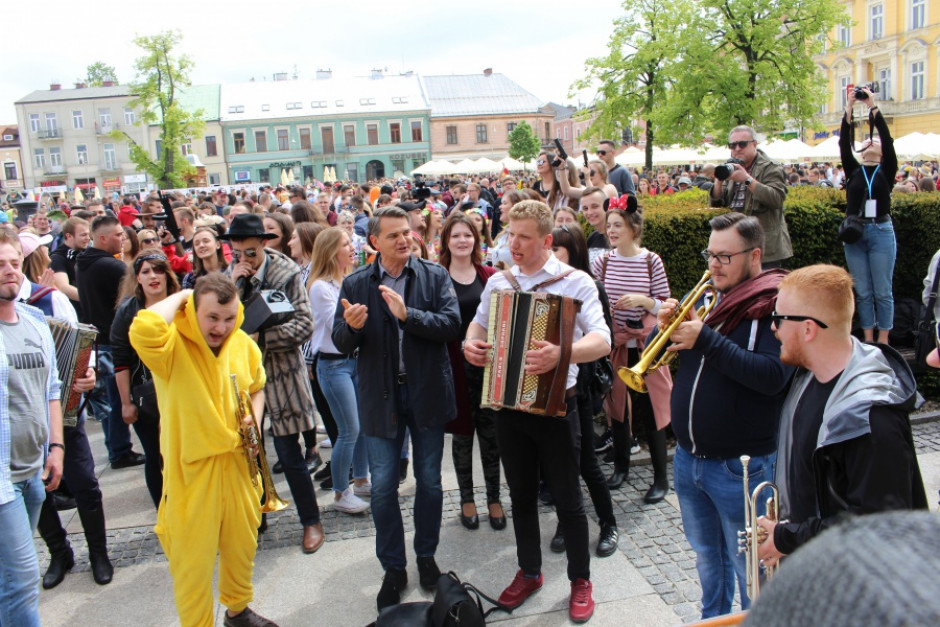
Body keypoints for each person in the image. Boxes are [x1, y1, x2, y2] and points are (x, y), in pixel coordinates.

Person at [463, 200, 611, 624]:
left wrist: (562, 355)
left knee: (568, 498)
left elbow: (601, 340)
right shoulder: (500, 282)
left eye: (524, 237)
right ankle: (529, 572)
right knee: (522, 496)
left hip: (556, 409)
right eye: (511, 234)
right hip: (508, 407)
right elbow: (478, 323)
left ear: (546, 240)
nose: (514, 243)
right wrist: (469, 343)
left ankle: (581, 581)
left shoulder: (575, 282)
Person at [661, 212, 793, 618]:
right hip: (689, 459)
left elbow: (773, 376)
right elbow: (682, 355)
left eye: (724, 257)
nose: (712, 265)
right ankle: (713, 622)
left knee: (752, 570)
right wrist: (664, 330)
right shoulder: (712, 297)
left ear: (755, 256)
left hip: (742, 466)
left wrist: (705, 339)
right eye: (710, 254)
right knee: (707, 561)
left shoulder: (774, 303)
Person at [129, 275, 278, 627]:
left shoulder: (243, 344)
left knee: (243, 547)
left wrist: (253, 422)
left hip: (239, 468)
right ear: (192, 309)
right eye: (212, 317)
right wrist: (183, 293)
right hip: (192, 475)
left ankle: (237, 612)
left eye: (229, 318)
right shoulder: (170, 347)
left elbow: (258, 386)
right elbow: (144, 326)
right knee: (191, 565)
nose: (221, 327)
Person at [331, 207, 460, 611]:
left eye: (408, 232)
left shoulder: (434, 275)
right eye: (394, 235)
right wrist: (350, 327)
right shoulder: (355, 283)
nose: (405, 240)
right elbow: (339, 343)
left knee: (430, 482)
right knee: (383, 487)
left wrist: (410, 316)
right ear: (374, 242)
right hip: (379, 397)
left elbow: (452, 325)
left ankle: (425, 556)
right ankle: (393, 568)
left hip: (425, 394)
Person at [756, 264, 927, 565]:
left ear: (808, 329)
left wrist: (789, 538)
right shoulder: (806, 376)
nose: (773, 327)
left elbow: (879, 528)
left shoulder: (873, 419)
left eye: (778, 318)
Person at [223, 213, 323, 553]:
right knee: (249, 451)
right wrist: (233, 285)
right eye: (237, 252)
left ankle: (311, 521)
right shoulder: (229, 277)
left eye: (250, 252)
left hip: (280, 375)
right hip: (243, 379)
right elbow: (220, 327)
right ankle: (258, 514)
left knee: (288, 453)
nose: (244, 259)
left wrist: (259, 336)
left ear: (265, 244)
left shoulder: (287, 273)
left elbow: (304, 326)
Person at [0, 228, 71, 626]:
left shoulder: (34, 319)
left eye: (13, 263)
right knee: (23, 578)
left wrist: (56, 447)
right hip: (2, 479)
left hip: (33, 470)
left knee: (8, 577)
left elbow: (52, 390)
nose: (9, 271)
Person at [592, 203, 672, 502]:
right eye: (609, 225)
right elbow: (593, 299)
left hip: (644, 345)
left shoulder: (651, 261)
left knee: (652, 410)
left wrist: (644, 300)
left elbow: (666, 305)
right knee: (618, 409)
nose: (610, 231)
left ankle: (661, 478)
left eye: (617, 225)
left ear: (633, 229)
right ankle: (622, 468)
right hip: (615, 344)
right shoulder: (603, 262)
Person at [549, 223, 619, 559]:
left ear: (573, 252)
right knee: (562, 463)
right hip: (552, 388)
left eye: (557, 250)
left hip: (582, 387)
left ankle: (608, 523)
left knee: (587, 462)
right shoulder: (545, 283)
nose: (550, 256)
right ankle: (567, 521)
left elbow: (608, 340)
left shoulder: (591, 286)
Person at [438, 214, 504, 531]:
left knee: (491, 437)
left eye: (468, 235)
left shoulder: (489, 276)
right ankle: (466, 498)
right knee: (463, 436)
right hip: (454, 369)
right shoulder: (437, 277)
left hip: (488, 367)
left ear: (476, 240)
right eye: (456, 236)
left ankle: (494, 498)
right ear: (446, 242)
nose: (462, 241)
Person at [76, 216, 146, 469]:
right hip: (112, 341)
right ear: (102, 238)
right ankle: (120, 451)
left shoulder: (83, 262)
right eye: (118, 235)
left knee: (108, 401)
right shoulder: (111, 266)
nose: (123, 238)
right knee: (117, 399)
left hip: (98, 341)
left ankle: (116, 447)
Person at [111, 253, 180, 508]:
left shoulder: (181, 304)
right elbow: (120, 361)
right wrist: (125, 402)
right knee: (155, 454)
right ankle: (165, 510)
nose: (153, 276)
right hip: (146, 397)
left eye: (159, 270)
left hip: (181, 392)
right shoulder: (128, 311)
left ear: (167, 275)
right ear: (137, 278)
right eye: (147, 271)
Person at [309, 228, 370, 514]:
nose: (353, 247)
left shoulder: (346, 280)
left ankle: (360, 481)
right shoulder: (321, 286)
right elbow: (342, 324)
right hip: (334, 365)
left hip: (353, 361)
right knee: (349, 430)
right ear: (332, 250)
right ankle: (340, 492)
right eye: (346, 244)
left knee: (359, 427)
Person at [839, 86, 898, 345]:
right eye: (866, 140)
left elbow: (886, 136)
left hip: (881, 230)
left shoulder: (887, 170)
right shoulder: (853, 170)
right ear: (860, 149)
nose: (871, 141)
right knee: (862, 291)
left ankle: (883, 339)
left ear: (883, 150)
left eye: (875, 141)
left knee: (883, 291)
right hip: (856, 233)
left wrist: (872, 105)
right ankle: (868, 336)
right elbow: (843, 141)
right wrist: (850, 107)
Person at [709, 126, 792, 268]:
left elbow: (776, 199)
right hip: (735, 246)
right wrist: (718, 181)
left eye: (742, 144)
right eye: (732, 145)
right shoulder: (730, 167)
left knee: (762, 289)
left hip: (765, 249)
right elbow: (716, 204)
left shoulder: (770, 167)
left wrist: (747, 180)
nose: (737, 149)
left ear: (754, 144)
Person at [49, 216, 90, 314]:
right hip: (75, 313)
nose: (88, 238)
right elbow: (64, 287)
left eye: (88, 234)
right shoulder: (57, 258)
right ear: (69, 236)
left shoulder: (88, 253)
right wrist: (93, 300)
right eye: (83, 235)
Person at [491, 190, 526, 269]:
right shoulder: (502, 234)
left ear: (516, 206)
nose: (500, 206)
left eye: (504, 203)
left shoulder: (525, 236)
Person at [581, 187, 610, 266]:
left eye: (595, 206)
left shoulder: (618, 237)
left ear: (607, 206)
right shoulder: (592, 238)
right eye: (585, 208)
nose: (589, 212)